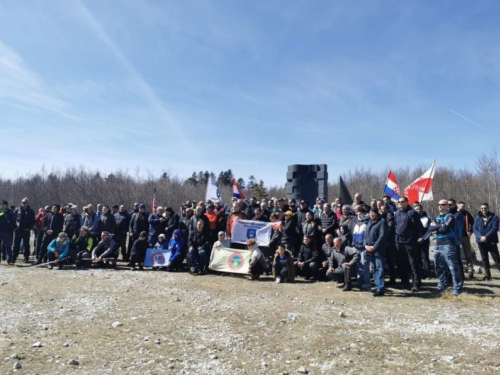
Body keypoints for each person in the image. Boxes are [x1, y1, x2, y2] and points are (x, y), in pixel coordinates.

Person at [424, 200, 463, 296]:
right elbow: (430, 228)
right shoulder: (437, 217)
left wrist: (437, 227)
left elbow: (444, 229)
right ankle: (442, 285)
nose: (440, 206)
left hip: (448, 244)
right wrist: (440, 226)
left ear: (447, 206)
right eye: (439, 204)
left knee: (453, 267)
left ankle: (457, 288)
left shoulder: (450, 216)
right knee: (439, 266)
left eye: (443, 204)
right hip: (438, 244)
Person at [394, 197, 424, 292]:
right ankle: (404, 282)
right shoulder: (397, 213)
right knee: (402, 262)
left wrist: (420, 236)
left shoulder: (412, 213)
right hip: (399, 241)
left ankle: (416, 283)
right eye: (399, 202)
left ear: (407, 202)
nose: (400, 203)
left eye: (402, 202)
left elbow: (419, 226)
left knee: (413, 263)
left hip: (410, 241)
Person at [364, 207, 388, 296]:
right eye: (370, 213)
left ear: (376, 213)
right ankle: (377, 286)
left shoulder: (382, 221)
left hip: (378, 250)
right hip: (369, 249)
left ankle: (381, 288)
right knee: (374, 268)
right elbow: (365, 235)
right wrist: (365, 245)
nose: (371, 214)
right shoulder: (369, 222)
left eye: (372, 213)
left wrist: (374, 247)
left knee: (379, 268)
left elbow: (382, 236)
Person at [473, 203, 500, 281]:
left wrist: (486, 236)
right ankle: (488, 275)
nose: (483, 210)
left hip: (491, 241)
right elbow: (475, 228)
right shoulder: (478, 217)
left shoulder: (494, 217)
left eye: (485, 208)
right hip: (481, 241)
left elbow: (494, 228)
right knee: (484, 259)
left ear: (488, 208)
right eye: (482, 208)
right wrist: (480, 236)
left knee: (496, 259)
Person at [352, 207, 370, 291]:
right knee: (358, 266)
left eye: (361, 214)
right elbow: (354, 235)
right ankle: (359, 281)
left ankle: (367, 283)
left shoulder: (367, 222)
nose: (359, 216)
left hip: (363, 248)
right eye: (358, 214)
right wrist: (353, 244)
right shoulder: (356, 223)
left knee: (365, 266)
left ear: (364, 214)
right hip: (356, 247)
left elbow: (367, 236)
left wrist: (366, 246)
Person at [12, 198, 35, 263]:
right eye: (22, 202)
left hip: (26, 230)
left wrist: (29, 228)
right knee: (16, 244)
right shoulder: (17, 210)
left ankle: (26, 257)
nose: (23, 204)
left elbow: (33, 221)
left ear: (27, 203)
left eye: (25, 202)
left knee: (26, 244)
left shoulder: (31, 211)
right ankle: (14, 256)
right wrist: (14, 227)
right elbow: (14, 219)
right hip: (18, 230)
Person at [457, 201, 475, 279]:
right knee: (456, 255)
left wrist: (470, 231)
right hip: (456, 237)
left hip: (465, 236)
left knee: (468, 254)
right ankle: (459, 271)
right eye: (461, 206)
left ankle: (470, 271)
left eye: (464, 206)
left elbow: (473, 223)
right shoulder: (453, 214)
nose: (463, 207)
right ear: (457, 206)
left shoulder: (467, 214)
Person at [380, 204, 396, 285]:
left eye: (383, 209)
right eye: (381, 209)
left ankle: (392, 278)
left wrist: (384, 235)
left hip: (388, 241)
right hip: (384, 241)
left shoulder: (389, 215)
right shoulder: (381, 216)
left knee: (390, 261)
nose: (382, 210)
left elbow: (390, 227)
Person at [415, 204, 431, 279]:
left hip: (424, 241)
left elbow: (429, 231)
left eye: (418, 209)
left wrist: (423, 238)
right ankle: (419, 272)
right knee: (416, 257)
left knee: (424, 257)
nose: (417, 210)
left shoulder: (427, 219)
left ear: (422, 209)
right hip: (415, 241)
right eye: (416, 209)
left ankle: (427, 273)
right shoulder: (412, 218)